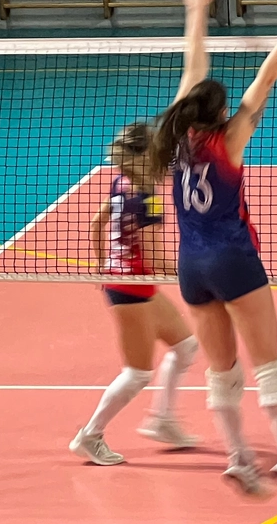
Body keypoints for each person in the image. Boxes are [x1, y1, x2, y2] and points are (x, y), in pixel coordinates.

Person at [146, 0, 277, 494]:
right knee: (269, 363)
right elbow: (266, 78)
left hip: (191, 267)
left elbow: (193, 68)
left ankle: (238, 457)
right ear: (221, 113)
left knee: (221, 371)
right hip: (232, 257)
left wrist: (196, 10)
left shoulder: (173, 137)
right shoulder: (229, 138)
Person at [69, 122, 200, 465]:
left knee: (185, 346)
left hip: (130, 282)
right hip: (130, 291)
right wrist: (198, 270)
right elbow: (156, 258)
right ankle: (90, 436)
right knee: (138, 373)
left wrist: (103, 263)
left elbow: (97, 224)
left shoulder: (121, 183)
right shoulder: (147, 201)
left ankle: (163, 421)